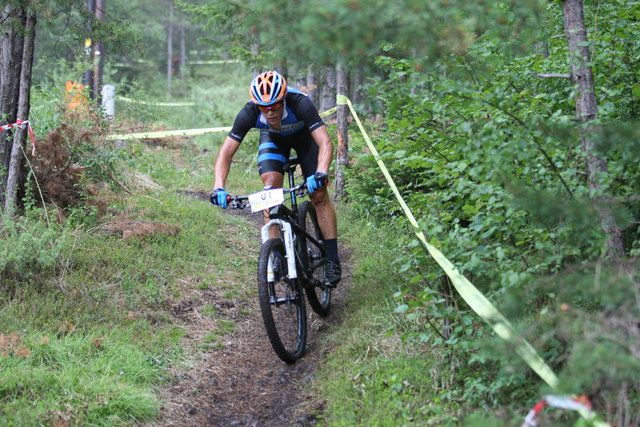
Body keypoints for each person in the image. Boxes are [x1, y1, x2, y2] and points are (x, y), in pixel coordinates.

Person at [210, 70, 341, 286]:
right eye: (263, 107)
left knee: (318, 195)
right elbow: (225, 153)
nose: (269, 112)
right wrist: (218, 187)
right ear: (256, 105)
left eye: (275, 106)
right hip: (273, 140)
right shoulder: (249, 112)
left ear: (283, 99)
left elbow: (325, 143)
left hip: (305, 140)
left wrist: (321, 173)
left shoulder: (300, 103)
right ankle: (278, 254)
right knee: (270, 191)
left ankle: (333, 260)